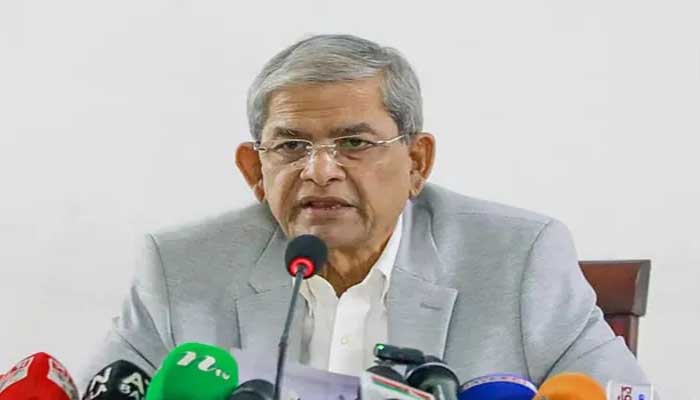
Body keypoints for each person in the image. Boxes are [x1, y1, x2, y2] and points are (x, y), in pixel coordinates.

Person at [78, 34, 651, 390]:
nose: (319, 170)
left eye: (354, 143)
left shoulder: (519, 258)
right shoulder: (181, 267)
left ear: (417, 162)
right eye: (291, 145)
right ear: (255, 171)